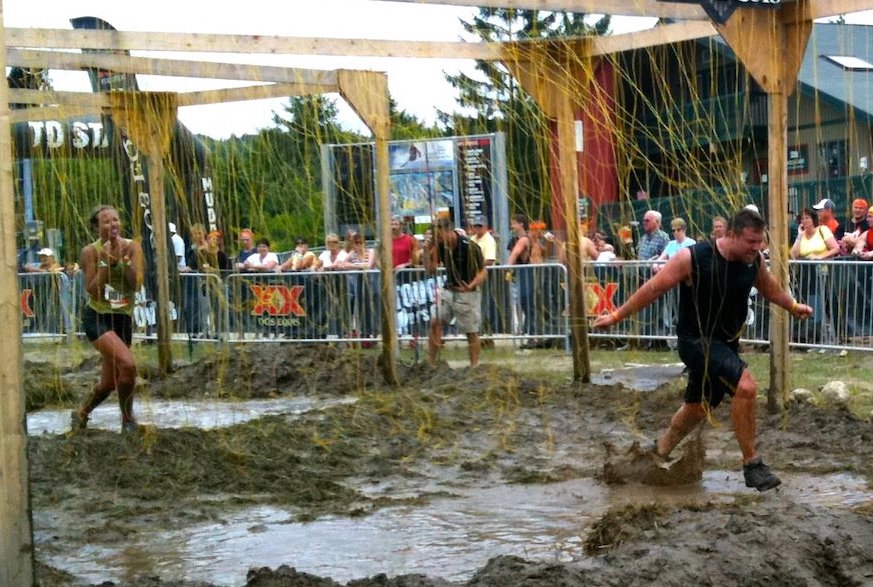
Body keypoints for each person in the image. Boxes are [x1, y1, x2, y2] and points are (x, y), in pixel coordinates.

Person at [593, 209, 813, 491]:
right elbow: (654, 288)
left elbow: (770, 289)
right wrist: (616, 316)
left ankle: (652, 458)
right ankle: (752, 465)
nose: (756, 249)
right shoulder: (693, 258)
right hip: (696, 342)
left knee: (698, 407)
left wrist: (793, 306)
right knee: (746, 387)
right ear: (730, 234)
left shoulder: (753, 262)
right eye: (750, 242)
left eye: (759, 243)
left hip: (725, 346)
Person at [71, 205, 144, 434]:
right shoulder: (90, 252)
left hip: (122, 319)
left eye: (115, 220)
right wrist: (104, 264)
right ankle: (127, 420)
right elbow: (93, 290)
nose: (112, 225)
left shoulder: (132, 247)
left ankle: (82, 413)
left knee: (109, 383)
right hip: (98, 317)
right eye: (105, 221)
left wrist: (121, 261)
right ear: (96, 227)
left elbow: (137, 285)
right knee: (129, 365)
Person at [425, 217, 486, 366]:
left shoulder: (469, 246)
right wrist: (427, 251)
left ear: (449, 231)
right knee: (435, 322)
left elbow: (483, 272)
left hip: (468, 293)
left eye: (440, 236)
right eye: (437, 237)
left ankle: (474, 366)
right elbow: (430, 270)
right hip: (448, 290)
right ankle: (430, 364)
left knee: (470, 331)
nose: (438, 239)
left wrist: (470, 286)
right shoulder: (440, 246)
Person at [790, 207, 839, 345]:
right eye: (802, 218)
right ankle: (813, 336)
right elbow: (793, 254)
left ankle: (836, 335)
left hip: (824, 273)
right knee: (811, 304)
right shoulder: (802, 235)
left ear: (813, 219)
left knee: (827, 303)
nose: (805, 221)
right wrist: (799, 236)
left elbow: (835, 248)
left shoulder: (823, 230)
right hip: (807, 275)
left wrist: (819, 257)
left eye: (807, 218)